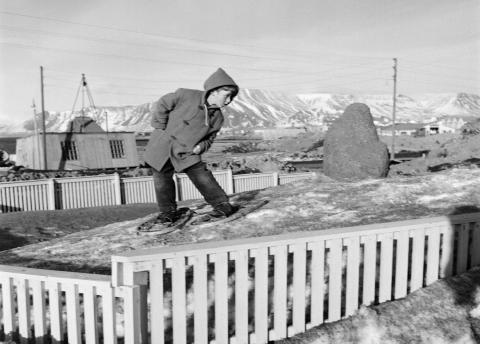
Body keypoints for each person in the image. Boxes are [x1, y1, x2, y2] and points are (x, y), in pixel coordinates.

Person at [143, 68, 239, 224]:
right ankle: (168, 213)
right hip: (162, 146)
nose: (229, 101)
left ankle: (222, 205)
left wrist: (201, 147)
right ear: (214, 91)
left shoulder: (218, 118)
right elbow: (163, 103)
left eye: (231, 97)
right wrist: (160, 126)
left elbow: (210, 138)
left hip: (187, 152)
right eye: (227, 96)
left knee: (202, 175)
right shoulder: (185, 95)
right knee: (162, 180)